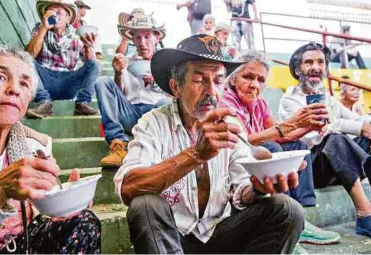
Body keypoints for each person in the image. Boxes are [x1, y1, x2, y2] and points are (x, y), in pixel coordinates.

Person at [114, 34, 305, 254]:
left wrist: (257, 188)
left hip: (218, 235)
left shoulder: (231, 125)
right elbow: (129, 187)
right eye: (199, 80)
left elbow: (241, 187)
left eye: (219, 80)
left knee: (287, 209)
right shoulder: (153, 123)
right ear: (176, 87)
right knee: (145, 205)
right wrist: (196, 154)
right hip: (173, 237)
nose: (212, 91)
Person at [0, 45, 101, 254]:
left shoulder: (37, 146)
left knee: (83, 222)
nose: (14, 89)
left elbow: (44, 217)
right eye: (0, 77)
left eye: (24, 83)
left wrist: (64, 204)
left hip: (21, 247)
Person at [221, 50, 340, 252]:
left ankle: (302, 218)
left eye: (260, 80)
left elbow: (282, 134)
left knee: (299, 146)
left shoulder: (260, 103)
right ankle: (283, 218)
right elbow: (241, 142)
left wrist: (307, 127)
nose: (254, 85)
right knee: (270, 147)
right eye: (248, 77)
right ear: (233, 79)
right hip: (237, 162)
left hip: (257, 154)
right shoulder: (226, 101)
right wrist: (285, 127)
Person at [278, 42, 371, 244]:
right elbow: (317, 132)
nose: (316, 67)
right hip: (310, 169)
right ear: (297, 70)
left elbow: (352, 118)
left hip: (337, 165)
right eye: (308, 62)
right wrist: (362, 127)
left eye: (320, 62)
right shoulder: (290, 99)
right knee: (336, 139)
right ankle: (365, 213)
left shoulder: (327, 97)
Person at [95, 14, 171, 167]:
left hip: (155, 115)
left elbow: (175, 97)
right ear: (133, 40)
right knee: (103, 81)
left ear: (156, 38)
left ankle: (161, 149)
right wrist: (118, 72)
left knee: (164, 102)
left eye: (147, 36)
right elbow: (120, 94)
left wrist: (157, 81)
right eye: (138, 37)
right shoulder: (127, 60)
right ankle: (118, 143)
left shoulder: (167, 63)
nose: (142, 43)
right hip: (130, 113)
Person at [25, 0, 101, 119]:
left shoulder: (76, 36)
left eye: (59, 12)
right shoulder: (40, 29)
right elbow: (29, 55)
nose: (55, 15)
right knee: (25, 59)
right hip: (44, 81)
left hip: (68, 82)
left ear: (67, 18)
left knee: (95, 64)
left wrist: (87, 46)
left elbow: (90, 65)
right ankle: (44, 103)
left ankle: (82, 104)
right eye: (51, 12)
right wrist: (44, 27)